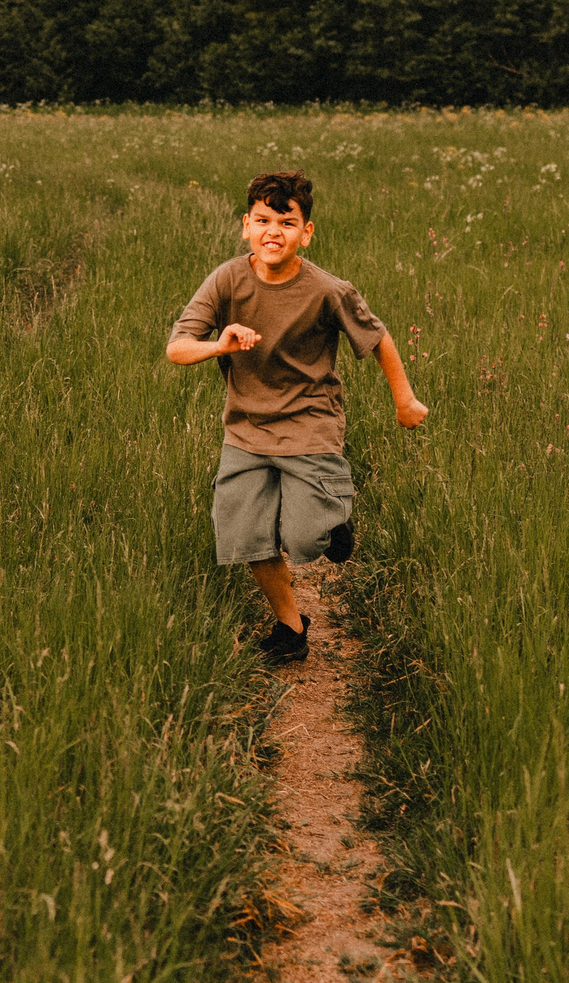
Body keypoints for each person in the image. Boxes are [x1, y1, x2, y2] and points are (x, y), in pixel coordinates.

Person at [166, 172, 428, 663]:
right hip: (245, 429)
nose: (273, 232)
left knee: (304, 536)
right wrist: (219, 345)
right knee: (246, 537)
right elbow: (177, 348)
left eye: (287, 223)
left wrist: (405, 401)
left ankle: (331, 520)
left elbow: (378, 338)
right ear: (246, 226)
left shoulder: (327, 290)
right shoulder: (226, 280)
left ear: (306, 233)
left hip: (310, 423)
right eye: (263, 220)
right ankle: (290, 627)